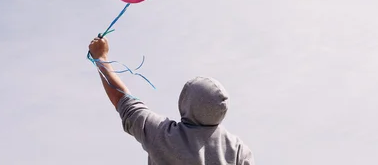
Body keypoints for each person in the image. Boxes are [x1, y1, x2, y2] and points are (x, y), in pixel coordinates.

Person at [89, 37, 255, 165]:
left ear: (185, 102)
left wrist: (101, 57)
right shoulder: (239, 151)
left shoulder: (164, 136)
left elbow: (124, 102)